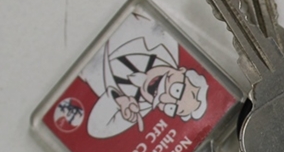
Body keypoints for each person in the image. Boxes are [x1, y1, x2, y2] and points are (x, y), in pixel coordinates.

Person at [80, 34, 209, 138]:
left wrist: (119, 100)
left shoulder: (135, 110)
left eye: (171, 108)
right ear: (181, 71)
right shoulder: (164, 38)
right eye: (177, 90)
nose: (164, 97)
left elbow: (96, 128)